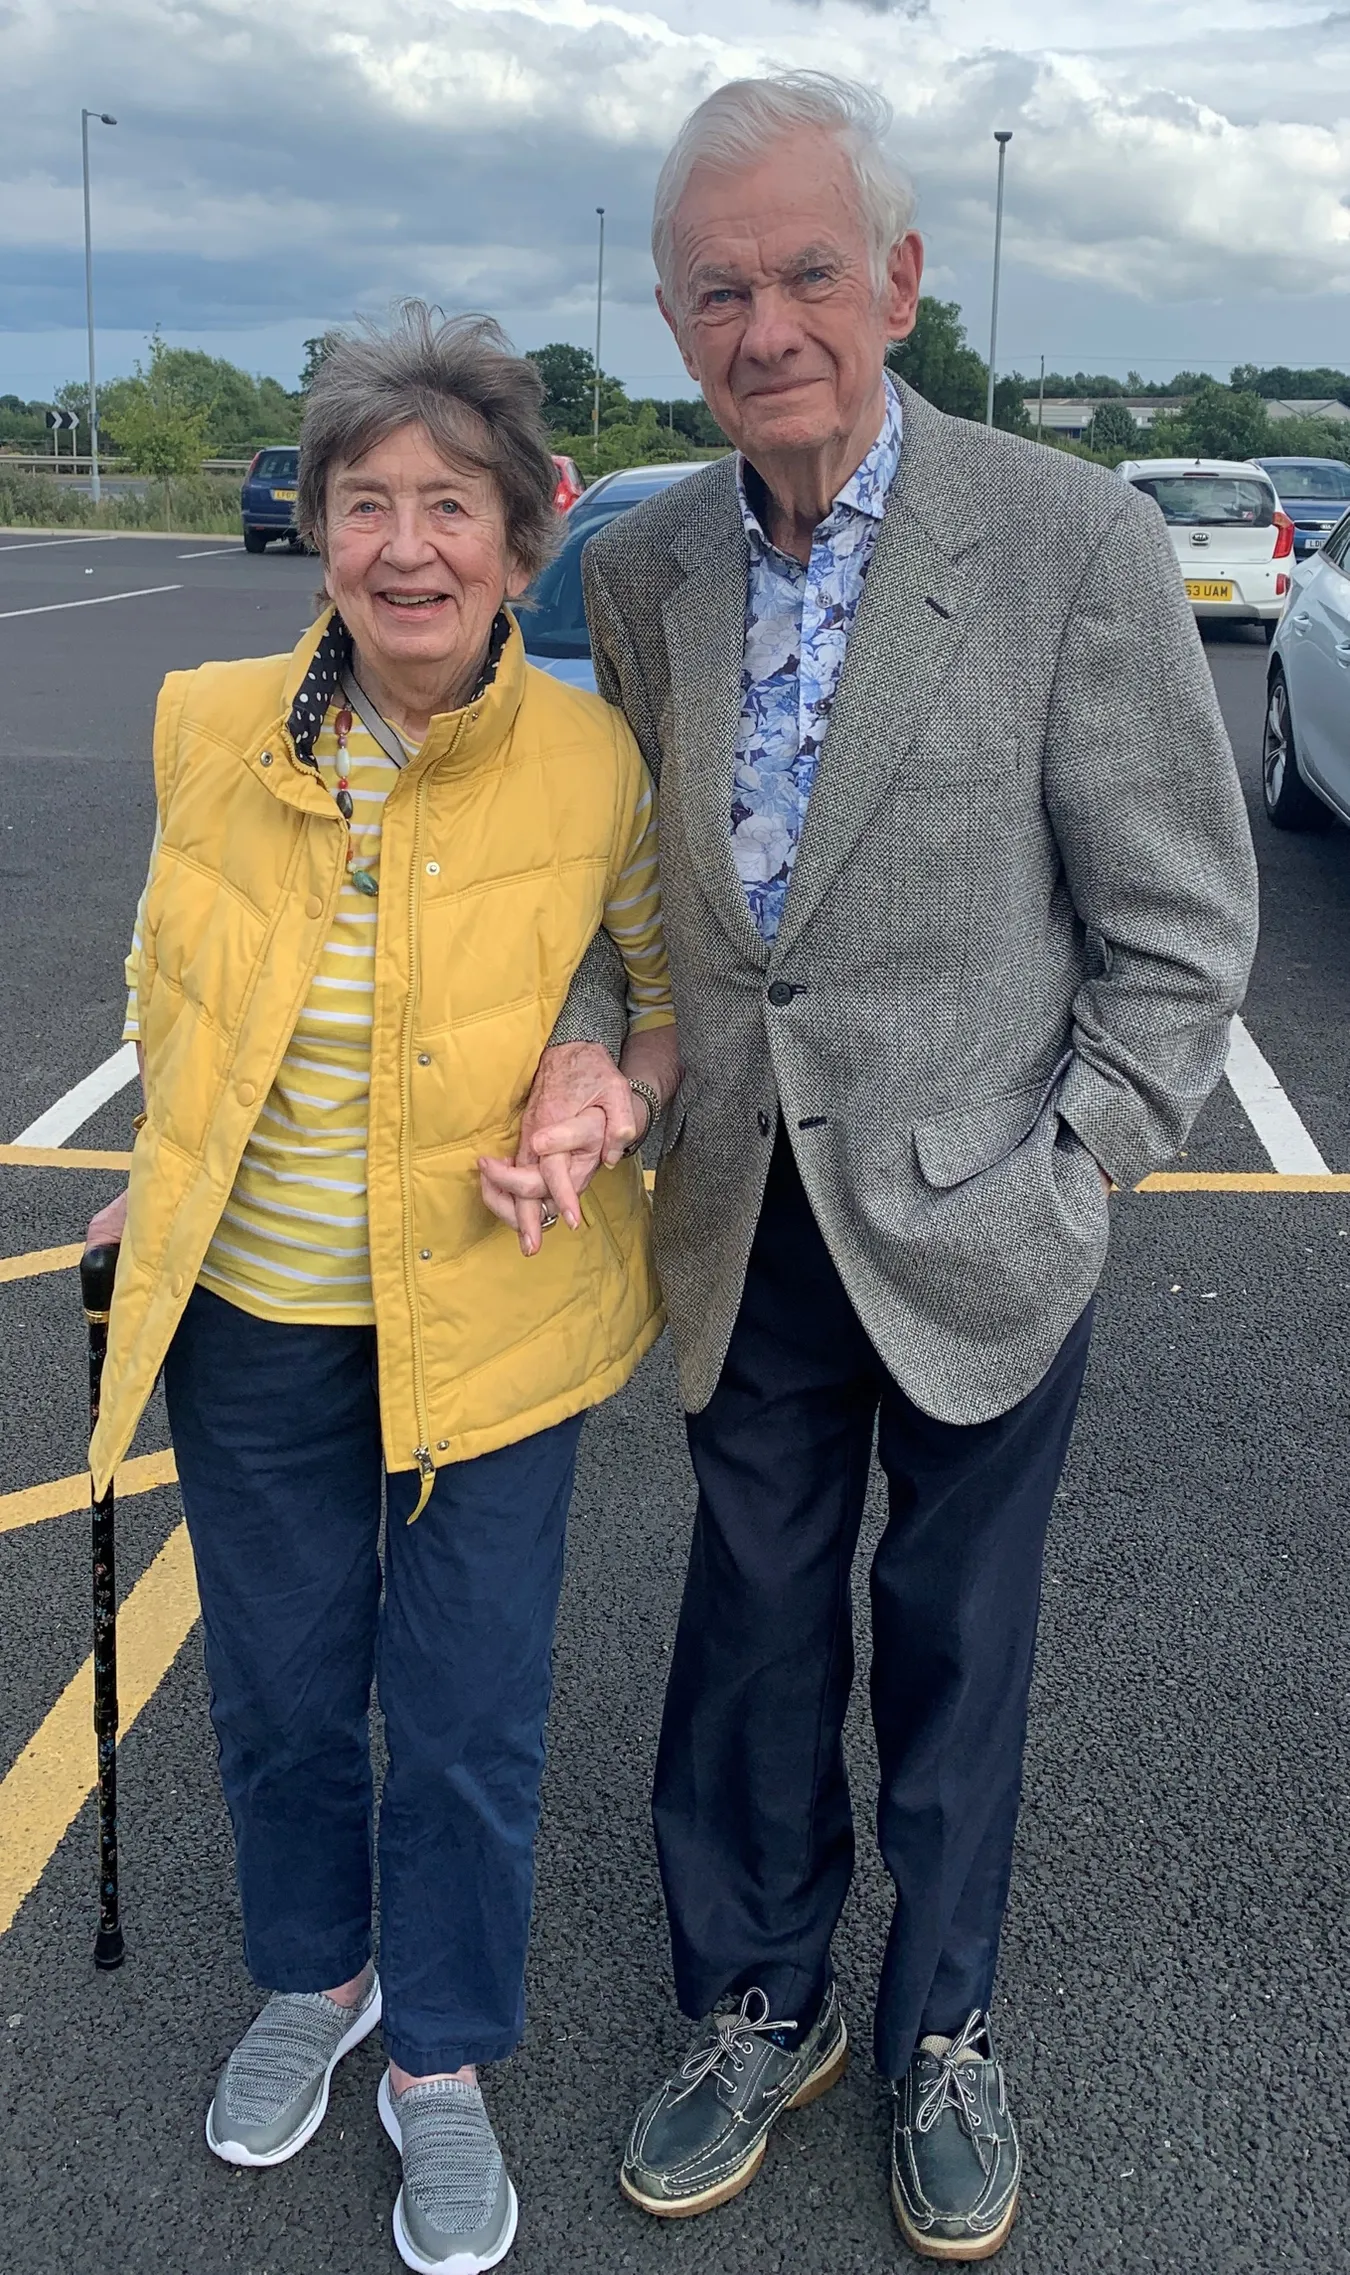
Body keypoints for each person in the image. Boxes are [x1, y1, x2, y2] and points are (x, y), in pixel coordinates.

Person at [490, 70, 1259, 2264]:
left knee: (952, 1641)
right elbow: (621, 884)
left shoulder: (1069, 539)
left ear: (899, 283)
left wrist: (1077, 1165)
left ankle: (944, 2029)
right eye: (717, 291)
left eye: (808, 273)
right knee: (745, 1634)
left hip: (985, 1206)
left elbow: (1182, 925)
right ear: (671, 321)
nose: (767, 329)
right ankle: (760, 2001)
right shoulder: (646, 565)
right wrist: (587, 1052)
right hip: (740, 1206)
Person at [86, 304, 680, 2275]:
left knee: (464, 1720)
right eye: (365, 502)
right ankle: (317, 1977)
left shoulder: (592, 759)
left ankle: (439, 2053)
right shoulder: (207, 723)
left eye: (449, 505)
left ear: (520, 535)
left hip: (492, 1319)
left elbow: (661, 998)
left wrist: (610, 1088)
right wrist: (160, 1156)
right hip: (249, 1322)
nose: (405, 546)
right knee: (275, 1695)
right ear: (319, 525)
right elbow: (170, 968)